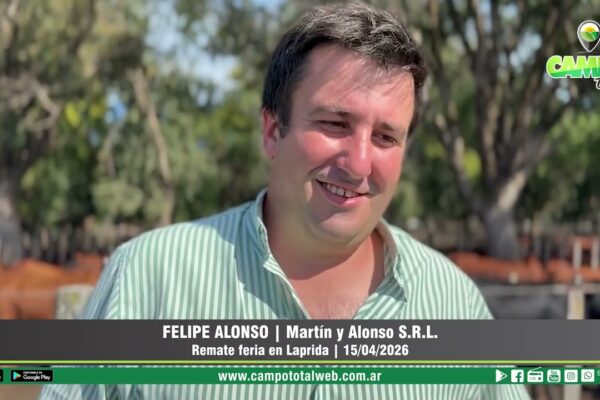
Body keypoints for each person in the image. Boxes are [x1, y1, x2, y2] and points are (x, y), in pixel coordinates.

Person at [41, 3, 529, 399]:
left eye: (385, 137)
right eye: (335, 123)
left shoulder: (453, 303)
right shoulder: (147, 281)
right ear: (273, 131)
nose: (359, 163)